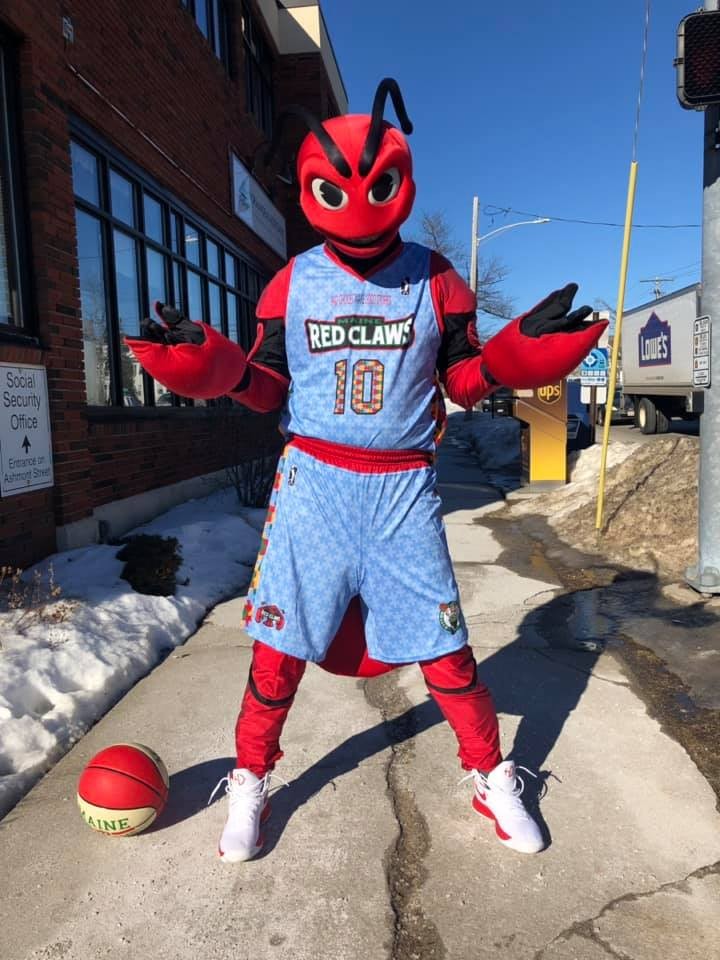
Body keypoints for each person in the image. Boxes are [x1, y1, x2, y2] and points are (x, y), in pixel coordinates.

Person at [127, 79, 606, 862]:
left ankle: (490, 774)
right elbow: (266, 386)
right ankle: (251, 778)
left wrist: (516, 352)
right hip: (314, 483)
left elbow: (463, 381)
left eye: (374, 183)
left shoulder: (436, 278)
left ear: (397, 180)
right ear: (310, 187)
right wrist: (216, 364)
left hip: (401, 490)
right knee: (278, 652)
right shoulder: (292, 283)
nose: (356, 201)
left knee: (444, 648)